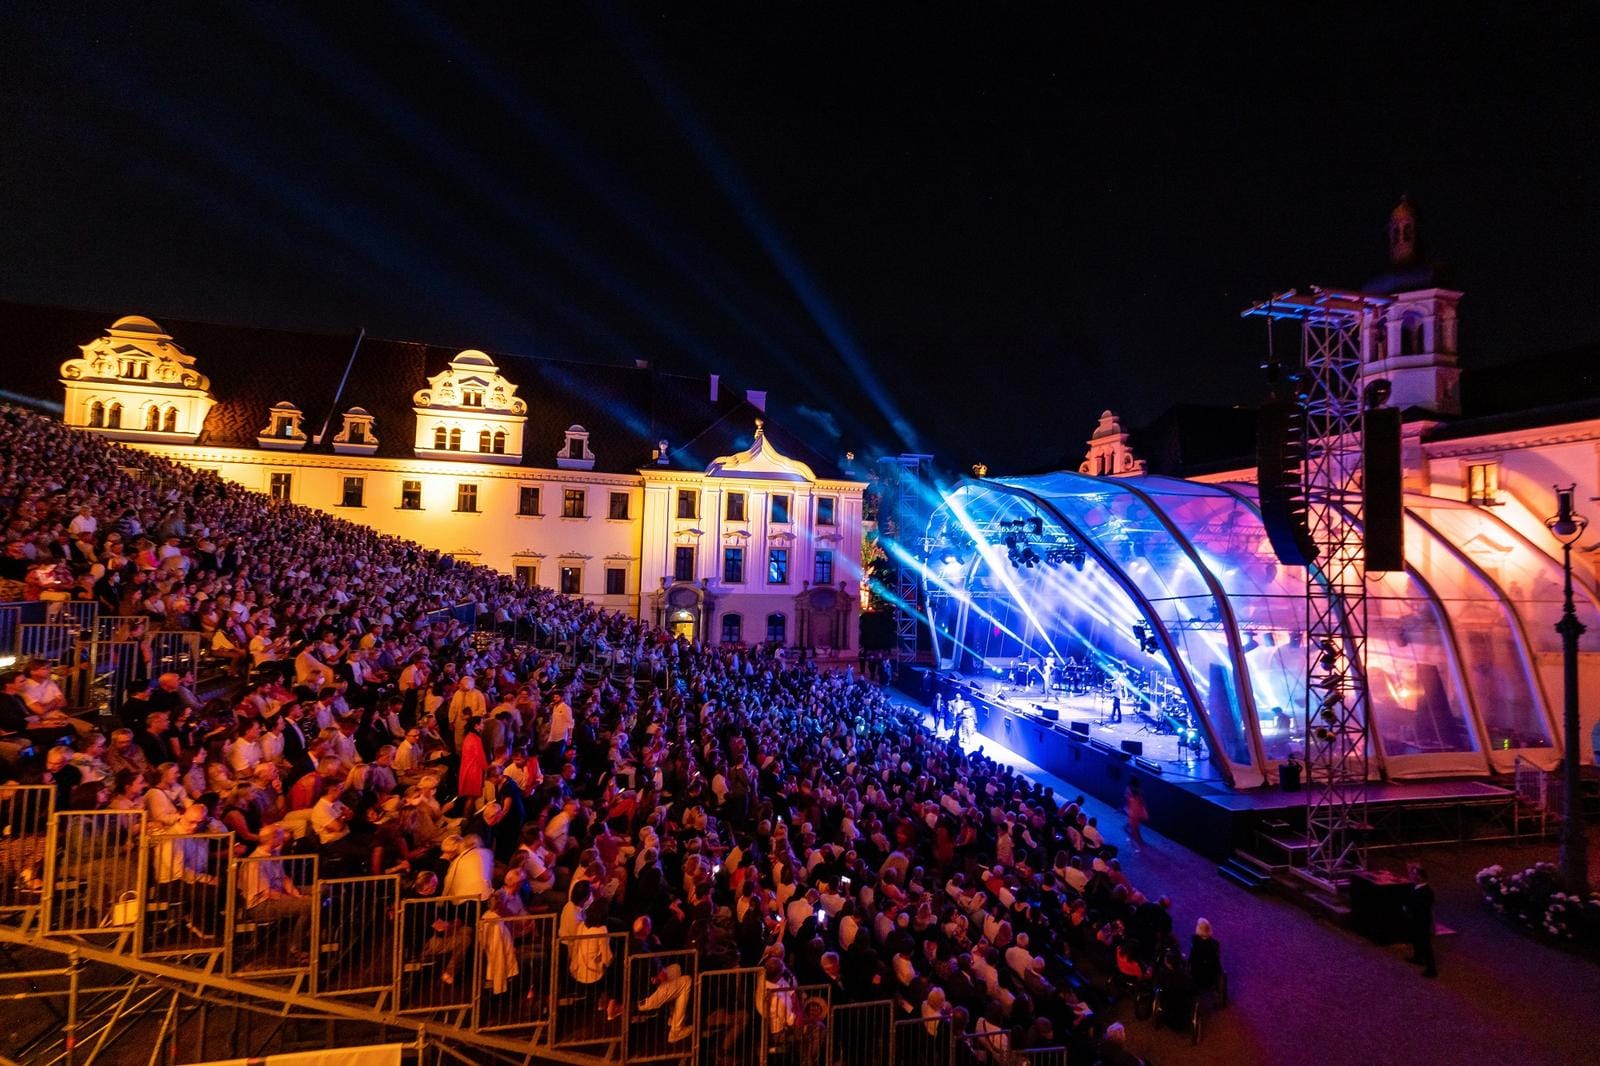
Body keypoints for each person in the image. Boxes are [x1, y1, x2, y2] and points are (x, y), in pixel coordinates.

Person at [1406, 863, 1437, 978]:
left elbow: (1422, 909)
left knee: (1425, 944)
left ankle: (1431, 969)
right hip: (1416, 920)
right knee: (1416, 940)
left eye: (1415, 874)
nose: (1412, 876)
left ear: (1421, 876)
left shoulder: (1426, 892)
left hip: (1421, 922)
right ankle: (1417, 957)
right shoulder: (1418, 888)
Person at [1124, 777, 1148, 850]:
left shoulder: (1131, 793)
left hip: (1134, 813)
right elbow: (1142, 803)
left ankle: (1139, 842)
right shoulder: (1135, 794)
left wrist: (1127, 808)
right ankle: (1137, 840)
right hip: (1134, 813)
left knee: (1135, 828)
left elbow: (1128, 800)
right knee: (1135, 828)